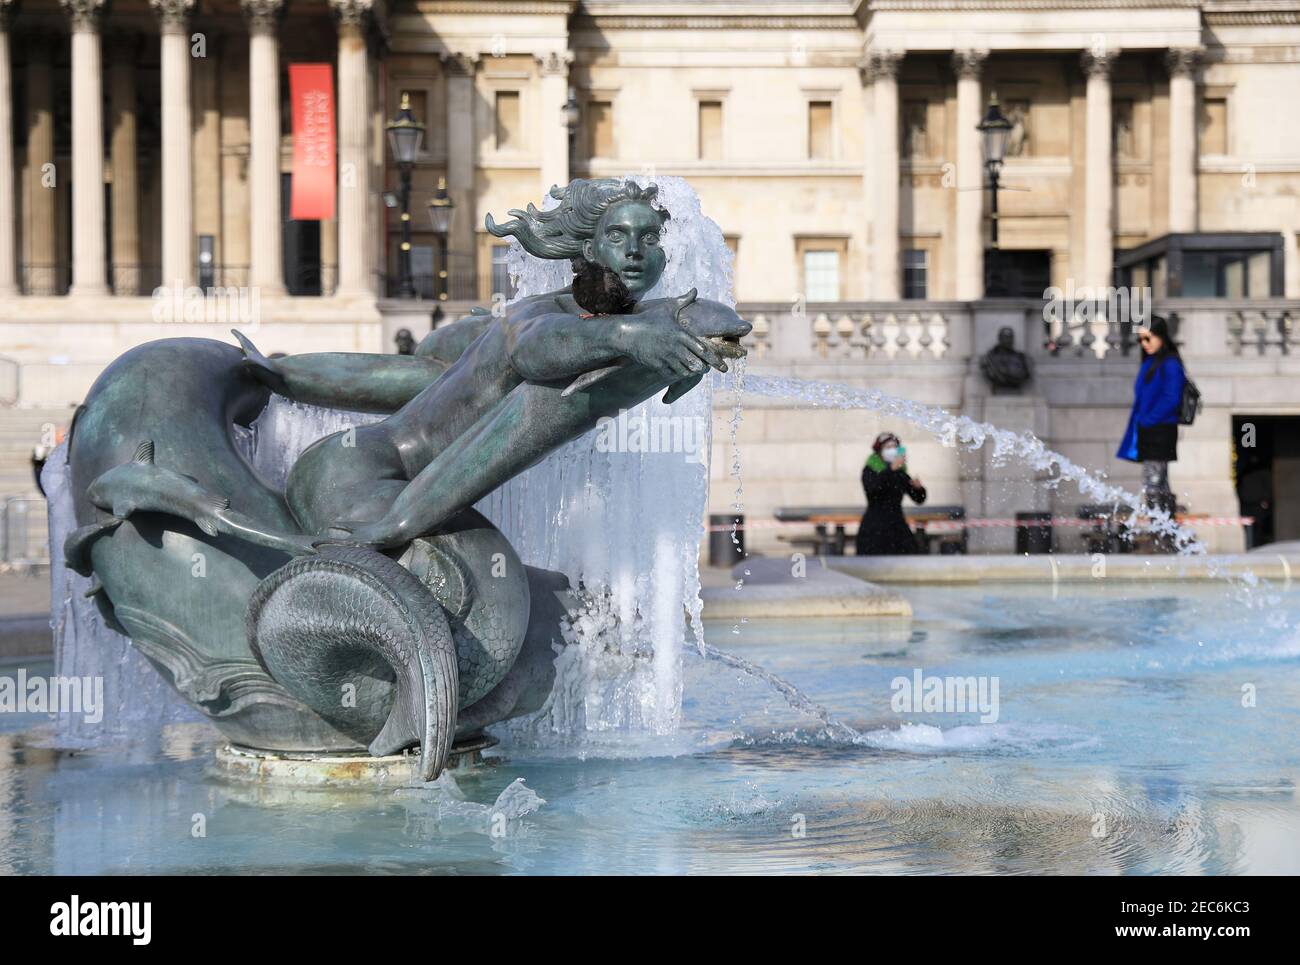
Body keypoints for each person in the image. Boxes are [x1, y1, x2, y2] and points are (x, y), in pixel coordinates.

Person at [1117, 315, 1186, 518]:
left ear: (1161, 337)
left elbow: (1172, 398)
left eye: (1148, 338)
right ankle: (1164, 531)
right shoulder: (1150, 362)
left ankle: (1162, 530)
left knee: (1154, 483)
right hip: (1150, 428)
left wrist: (1148, 419)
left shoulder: (1170, 363)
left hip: (1160, 429)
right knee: (1157, 483)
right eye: (1140, 339)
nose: (1144, 344)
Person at [855, 432, 927, 556]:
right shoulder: (871, 469)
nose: (892, 450)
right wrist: (890, 469)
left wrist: (919, 488)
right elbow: (873, 489)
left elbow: (918, 499)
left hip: (897, 524)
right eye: (888, 447)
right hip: (874, 526)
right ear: (879, 450)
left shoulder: (900, 472)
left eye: (895, 447)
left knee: (909, 556)